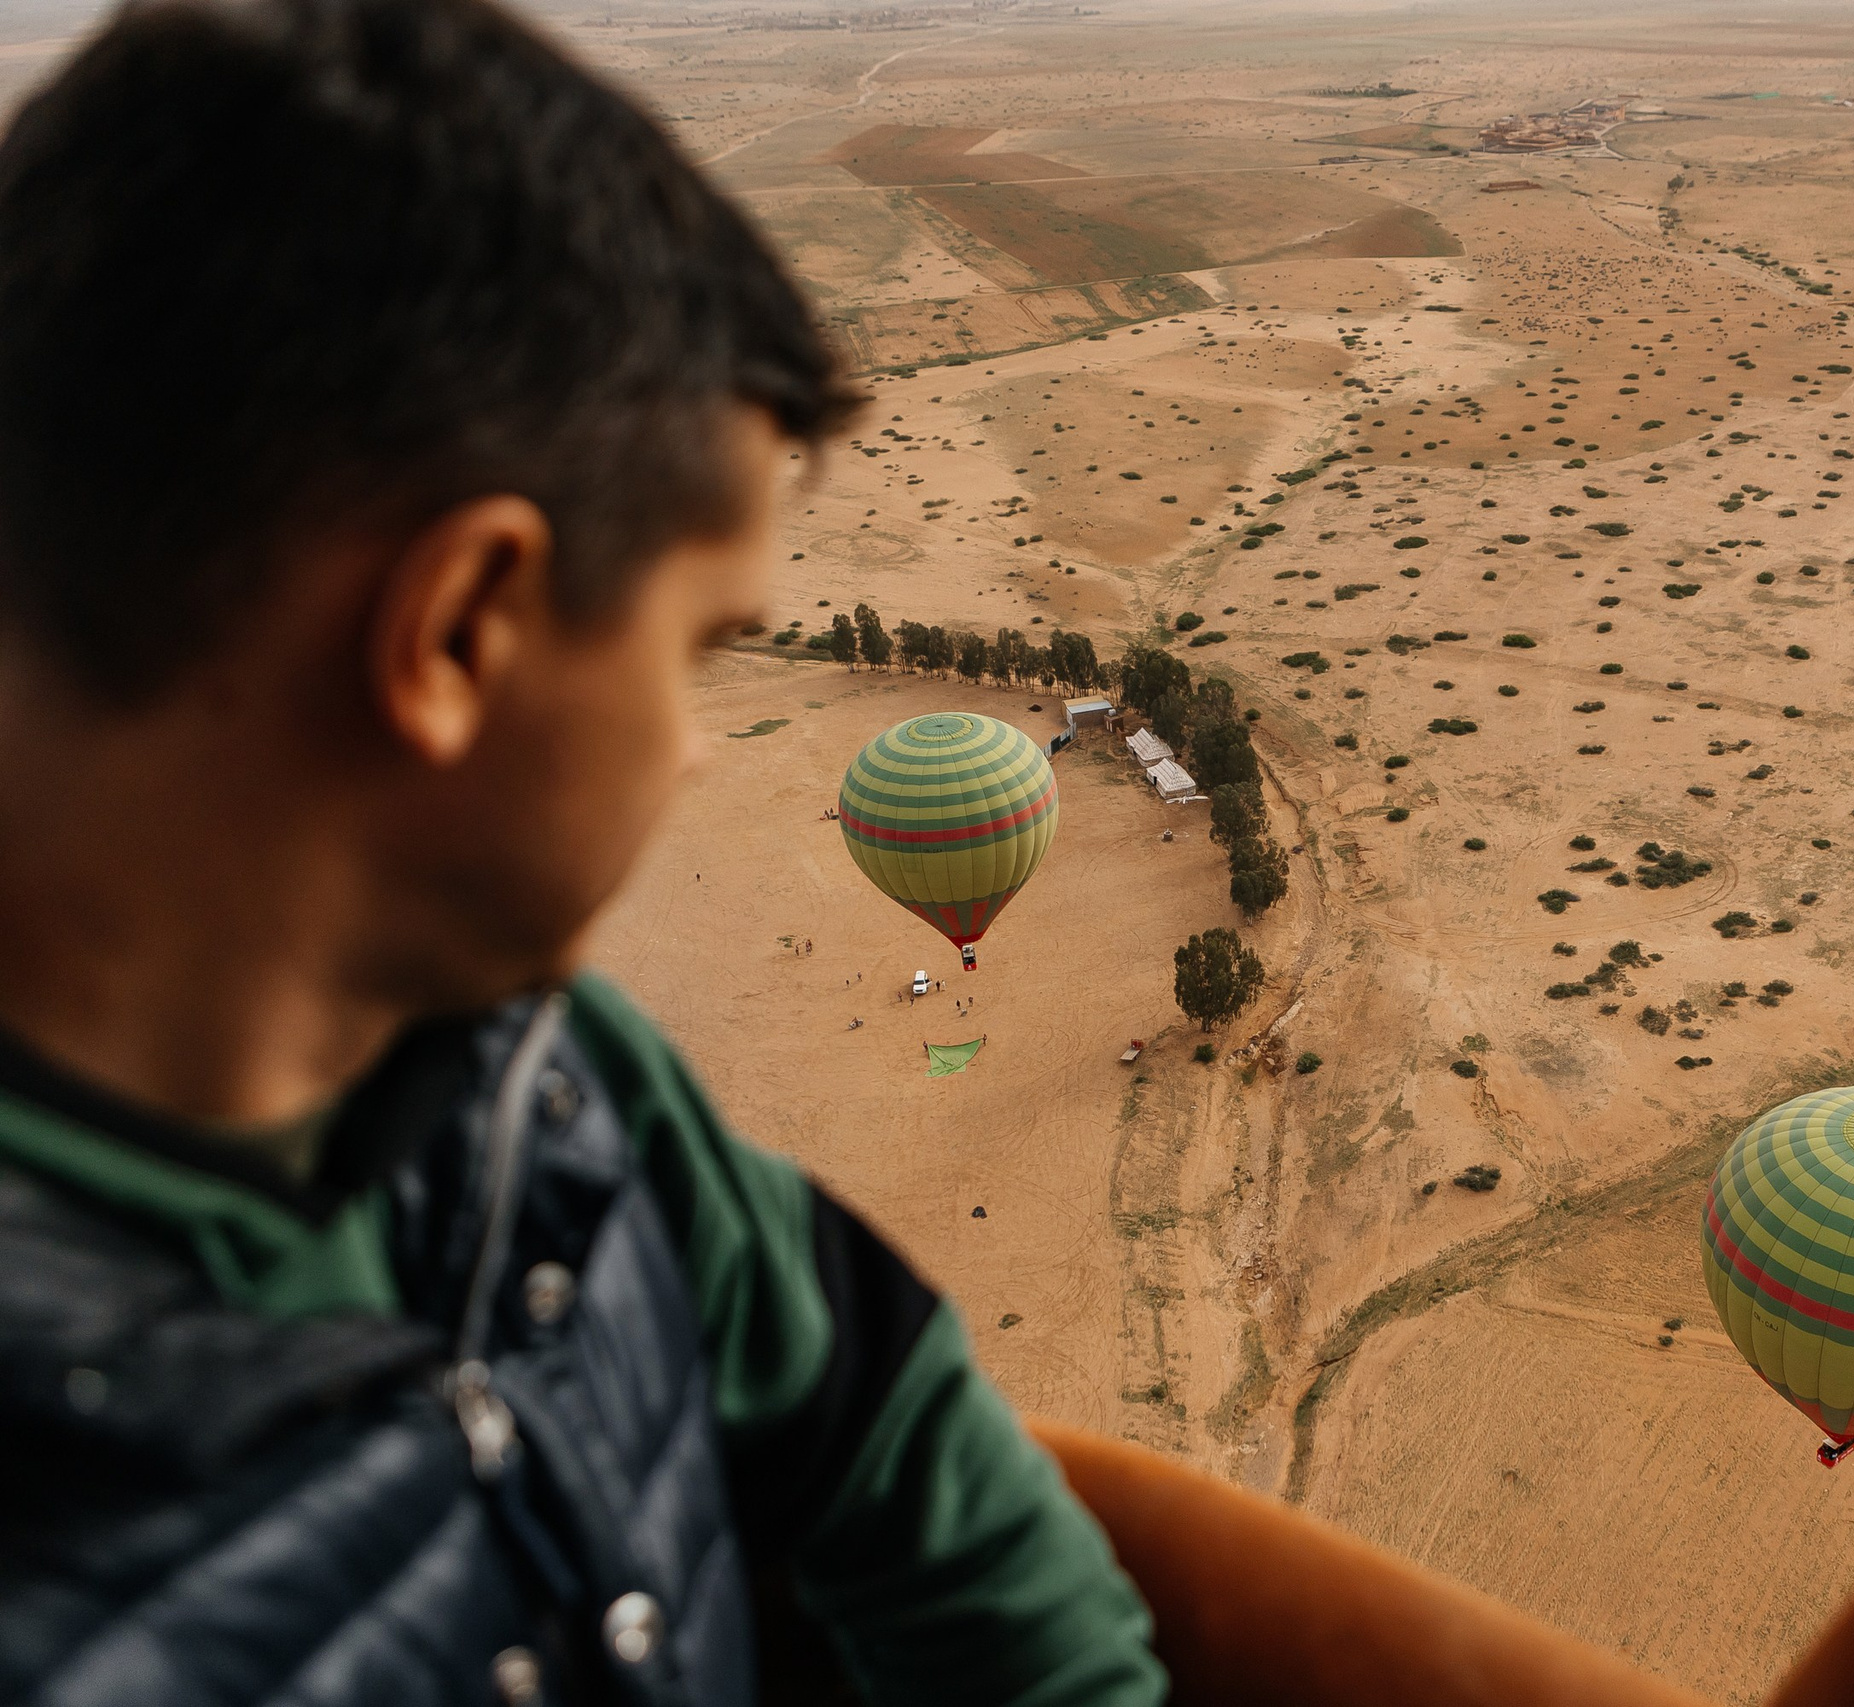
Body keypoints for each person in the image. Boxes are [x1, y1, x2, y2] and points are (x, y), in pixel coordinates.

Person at [0, 4, 1163, 1704]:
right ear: (461, 630)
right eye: (698, 651)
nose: (699, 747)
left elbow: (950, 1534)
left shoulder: (552, 1084)